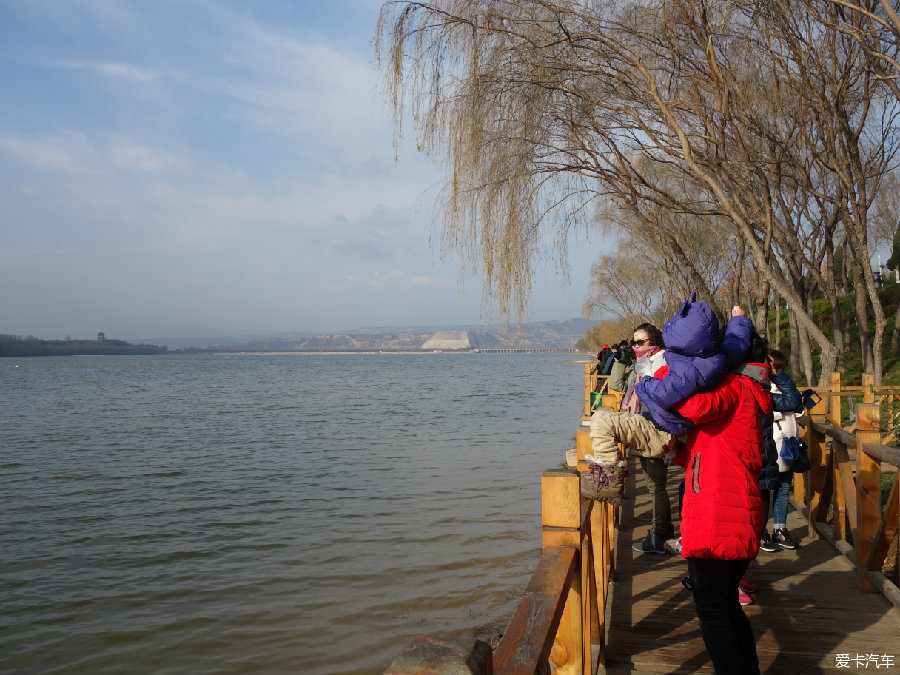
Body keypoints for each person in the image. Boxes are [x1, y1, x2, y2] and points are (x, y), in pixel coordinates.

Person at [584, 297, 752, 553]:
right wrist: (738, 320)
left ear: (658, 342)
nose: (635, 346)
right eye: (633, 342)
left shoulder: (673, 364)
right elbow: (734, 345)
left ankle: (656, 528)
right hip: (653, 426)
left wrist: (646, 382)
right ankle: (670, 533)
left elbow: (668, 394)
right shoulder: (707, 358)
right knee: (663, 488)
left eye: (640, 342)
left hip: (660, 428)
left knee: (658, 488)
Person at [669, 328, 773, 675]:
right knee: (727, 607)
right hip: (734, 510)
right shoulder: (747, 393)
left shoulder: (732, 387)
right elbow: (712, 450)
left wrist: (660, 376)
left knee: (712, 612)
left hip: (717, 515)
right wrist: (678, 450)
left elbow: (694, 405)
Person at [757, 349, 802, 552]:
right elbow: (766, 410)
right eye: (774, 366)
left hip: (789, 443)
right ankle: (760, 531)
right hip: (771, 443)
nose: (776, 370)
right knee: (764, 490)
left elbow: (797, 407)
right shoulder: (762, 386)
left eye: (779, 367)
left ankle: (780, 528)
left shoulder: (784, 384)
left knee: (783, 489)